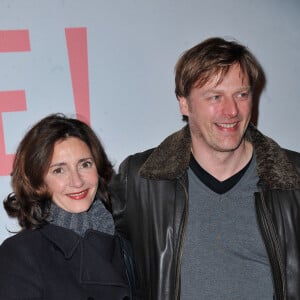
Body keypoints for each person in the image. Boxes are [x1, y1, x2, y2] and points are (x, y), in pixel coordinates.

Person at [110, 37, 300, 299]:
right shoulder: (142, 179)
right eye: (215, 96)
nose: (231, 110)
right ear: (184, 104)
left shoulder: (294, 178)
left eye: (241, 95)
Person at [0, 113, 136, 300]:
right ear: (38, 181)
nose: (77, 181)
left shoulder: (125, 247)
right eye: (59, 170)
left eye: (85, 164)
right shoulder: (22, 254)